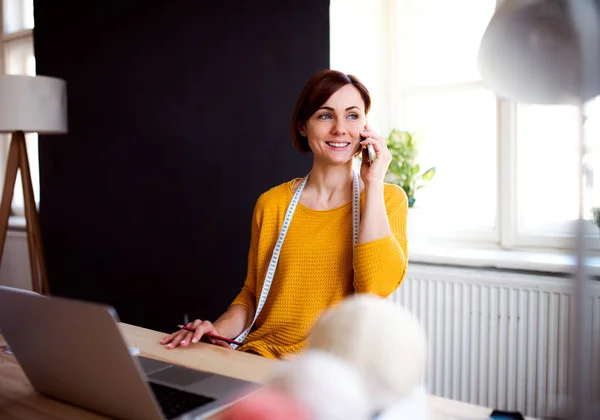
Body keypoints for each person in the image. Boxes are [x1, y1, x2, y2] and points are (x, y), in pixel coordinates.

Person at [160, 69, 408, 359]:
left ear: (366, 126)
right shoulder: (273, 204)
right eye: (325, 115)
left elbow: (374, 291)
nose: (340, 129)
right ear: (303, 126)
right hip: (260, 359)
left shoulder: (387, 199)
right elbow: (252, 296)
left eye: (352, 116)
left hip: (335, 368)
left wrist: (374, 182)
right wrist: (215, 329)